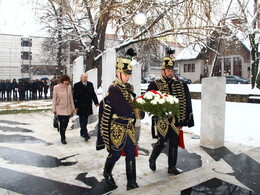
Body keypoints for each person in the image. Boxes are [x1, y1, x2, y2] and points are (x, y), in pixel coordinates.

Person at [96, 55, 145, 190]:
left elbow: (130, 105)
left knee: (131, 153)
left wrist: (142, 107)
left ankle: (131, 182)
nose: (127, 77)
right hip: (116, 128)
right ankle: (107, 172)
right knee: (115, 154)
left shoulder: (128, 88)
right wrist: (137, 112)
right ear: (118, 72)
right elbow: (123, 108)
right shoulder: (114, 89)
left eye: (129, 74)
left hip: (128, 127)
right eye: (125, 74)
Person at [146, 50, 194, 175]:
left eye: (172, 70)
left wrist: (186, 119)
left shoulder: (179, 84)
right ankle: (152, 158)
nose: (171, 73)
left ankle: (171, 167)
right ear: (163, 71)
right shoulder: (154, 84)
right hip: (162, 119)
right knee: (162, 142)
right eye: (168, 71)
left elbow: (186, 102)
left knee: (174, 142)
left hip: (175, 119)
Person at [73, 73, 99, 141]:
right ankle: (85, 133)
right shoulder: (77, 85)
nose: (85, 78)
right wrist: (76, 106)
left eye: (86, 77)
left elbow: (93, 94)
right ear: (81, 78)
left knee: (86, 119)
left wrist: (96, 102)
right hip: (80, 105)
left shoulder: (90, 84)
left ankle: (82, 131)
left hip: (87, 105)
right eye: (84, 77)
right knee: (82, 120)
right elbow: (75, 96)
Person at [52, 74, 75, 144]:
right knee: (62, 123)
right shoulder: (56, 87)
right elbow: (54, 99)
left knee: (66, 123)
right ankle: (63, 137)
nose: (66, 82)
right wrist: (54, 109)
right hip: (60, 108)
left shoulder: (69, 87)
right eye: (65, 81)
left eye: (67, 81)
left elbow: (71, 98)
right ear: (62, 81)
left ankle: (63, 131)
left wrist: (72, 107)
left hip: (67, 108)